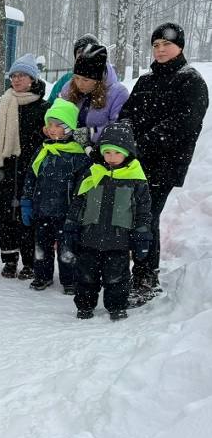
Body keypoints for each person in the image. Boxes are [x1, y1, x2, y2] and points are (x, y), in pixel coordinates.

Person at [118, 22, 209, 305]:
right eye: (156, 45)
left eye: (166, 44)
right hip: (134, 162)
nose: (160, 50)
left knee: (146, 217)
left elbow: (183, 125)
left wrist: (141, 144)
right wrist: (123, 139)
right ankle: (128, 270)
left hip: (166, 163)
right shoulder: (146, 81)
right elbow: (126, 114)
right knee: (131, 215)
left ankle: (146, 278)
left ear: (179, 47)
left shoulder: (191, 81)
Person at [63, 122, 151, 321]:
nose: (111, 157)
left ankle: (117, 306)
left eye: (116, 153)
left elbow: (143, 212)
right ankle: (85, 306)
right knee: (86, 276)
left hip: (118, 242)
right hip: (89, 238)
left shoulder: (136, 179)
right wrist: (71, 226)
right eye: (107, 152)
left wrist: (142, 235)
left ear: (127, 153)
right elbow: (78, 202)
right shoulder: (93, 173)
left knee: (117, 277)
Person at [0, 53, 49, 280]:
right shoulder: (3, 104)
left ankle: (30, 262)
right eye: (14, 75)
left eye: (22, 75)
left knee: (27, 218)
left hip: (29, 172)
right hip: (3, 170)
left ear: (33, 79)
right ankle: (10, 260)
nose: (17, 79)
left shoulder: (43, 108)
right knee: (5, 219)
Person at [21, 99, 91, 293]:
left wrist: (79, 210)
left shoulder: (78, 156)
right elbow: (30, 177)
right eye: (49, 124)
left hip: (67, 213)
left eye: (56, 125)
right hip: (41, 209)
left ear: (68, 128)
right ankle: (42, 276)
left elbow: (83, 187)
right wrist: (27, 202)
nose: (51, 129)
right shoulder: (43, 151)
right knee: (41, 246)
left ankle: (70, 279)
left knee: (67, 248)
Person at [58, 43, 128, 146]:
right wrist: (53, 126)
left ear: (98, 80)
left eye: (85, 80)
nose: (79, 84)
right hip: (67, 147)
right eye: (76, 78)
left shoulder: (118, 93)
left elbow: (119, 129)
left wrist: (90, 134)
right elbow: (57, 113)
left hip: (100, 152)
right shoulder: (69, 87)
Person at [47, 33, 99, 104]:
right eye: (80, 52)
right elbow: (50, 105)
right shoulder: (65, 80)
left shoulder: (105, 82)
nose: (83, 55)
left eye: (88, 51)